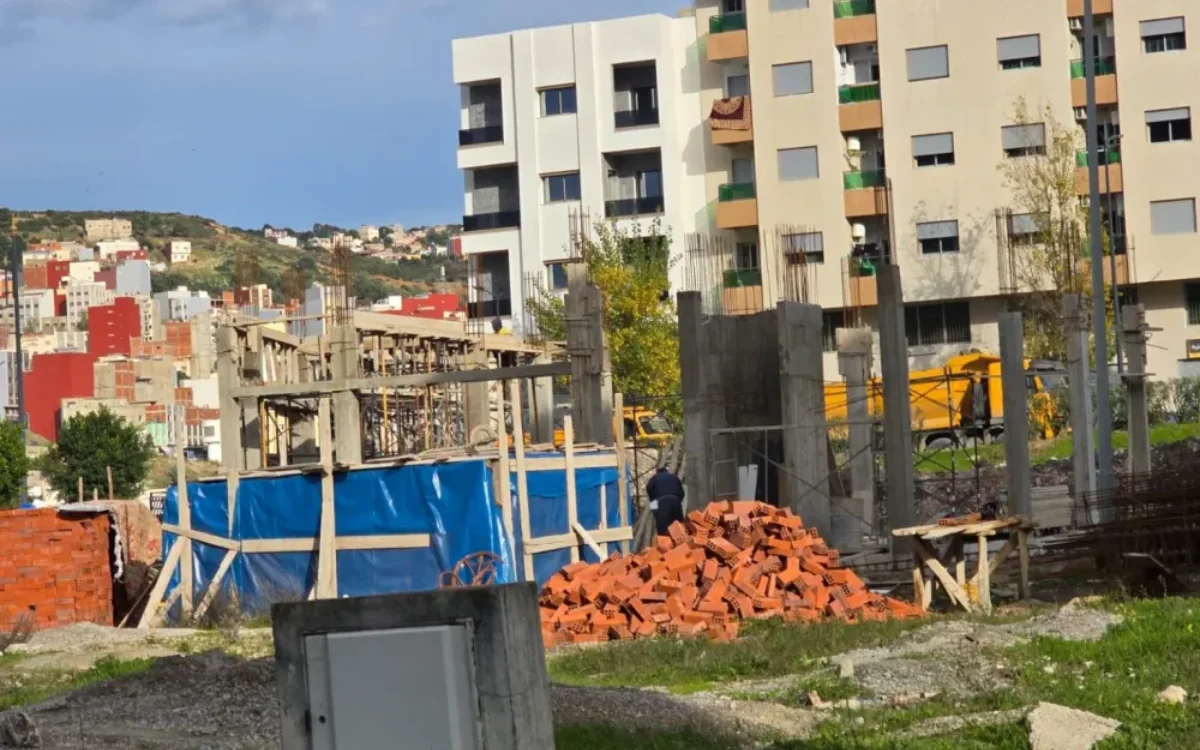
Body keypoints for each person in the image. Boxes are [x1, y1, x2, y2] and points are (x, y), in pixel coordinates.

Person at [646, 467, 685, 535]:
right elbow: (682, 493)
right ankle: (681, 544)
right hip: (676, 501)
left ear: (658, 472)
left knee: (663, 532)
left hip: (662, 503)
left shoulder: (654, 478)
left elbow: (649, 490)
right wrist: (677, 501)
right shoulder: (674, 477)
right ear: (666, 471)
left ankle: (665, 544)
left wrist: (655, 509)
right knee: (679, 529)